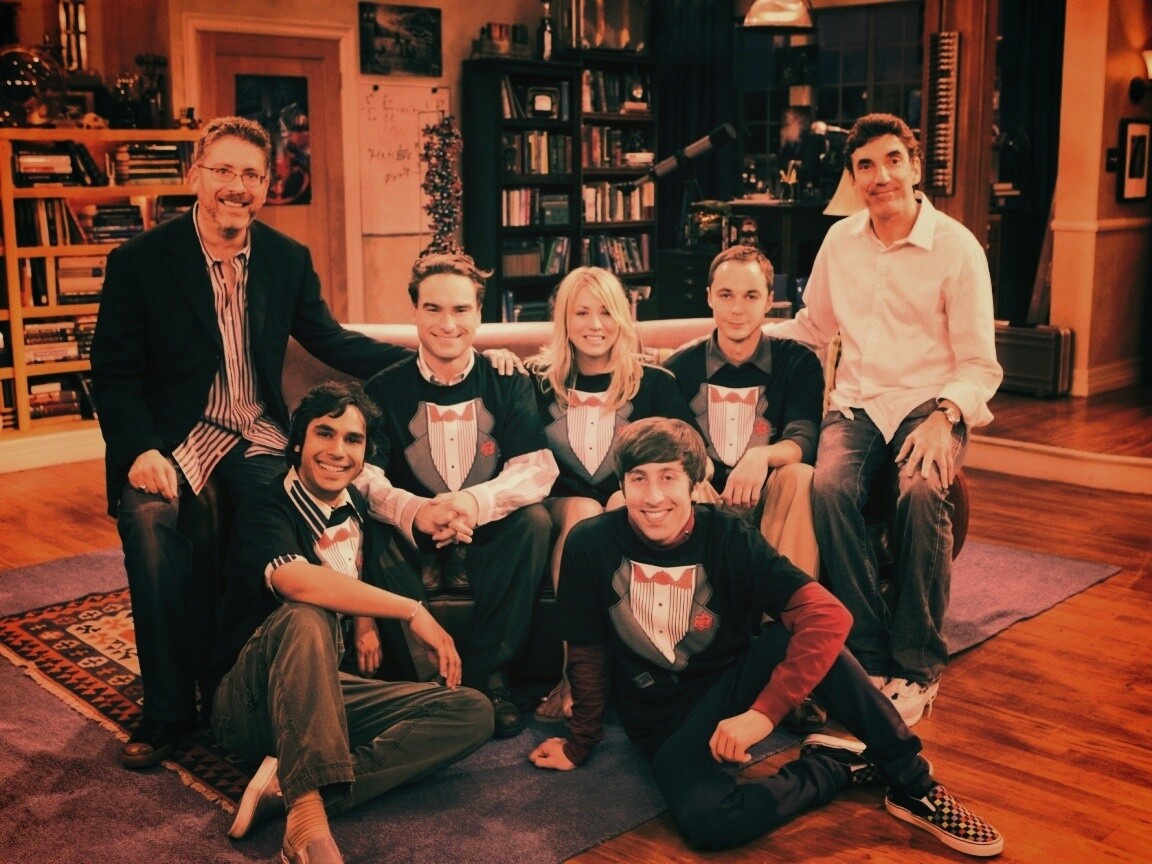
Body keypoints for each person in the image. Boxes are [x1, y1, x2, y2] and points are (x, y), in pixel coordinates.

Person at [89, 115, 412, 769]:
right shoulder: (140, 262)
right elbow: (114, 374)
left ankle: (255, 685)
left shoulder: (285, 259)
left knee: (291, 521)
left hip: (257, 431)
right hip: (172, 437)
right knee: (149, 526)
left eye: (252, 175)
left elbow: (330, 339)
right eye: (224, 172)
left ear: (267, 186)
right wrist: (140, 450)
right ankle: (168, 712)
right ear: (195, 177)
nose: (237, 187)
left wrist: (423, 364)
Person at [528, 417, 1004, 858]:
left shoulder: (728, 536)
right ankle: (836, 767)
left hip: (732, 683)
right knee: (710, 823)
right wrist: (579, 743)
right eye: (639, 479)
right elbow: (587, 652)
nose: (654, 496)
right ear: (623, 484)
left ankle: (913, 784)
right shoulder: (590, 542)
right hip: (662, 721)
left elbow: (828, 616)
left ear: (694, 483)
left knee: (814, 638)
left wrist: (763, 714)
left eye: (668, 477)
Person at [762, 113, 1003, 725]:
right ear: (854, 178)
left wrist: (946, 417)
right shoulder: (839, 242)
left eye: (893, 160)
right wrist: (738, 337)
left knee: (920, 492)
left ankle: (918, 666)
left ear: (915, 167)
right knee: (828, 487)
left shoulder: (957, 248)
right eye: (865, 166)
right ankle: (867, 653)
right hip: (860, 403)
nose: (881, 176)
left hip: (932, 402)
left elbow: (980, 363)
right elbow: (812, 328)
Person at [207, 381, 493, 864]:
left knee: (471, 711)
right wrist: (412, 610)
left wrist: (363, 622)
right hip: (247, 703)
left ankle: (291, 789)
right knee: (304, 615)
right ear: (298, 442)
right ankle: (308, 823)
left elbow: (349, 568)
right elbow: (299, 581)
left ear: (365, 454)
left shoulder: (357, 504)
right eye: (325, 433)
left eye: (353, 439)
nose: (338, 450)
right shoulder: (264, 507)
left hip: (321, 693)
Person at [359, 252, 559, 738]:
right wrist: (415, 511)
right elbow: (364, 475)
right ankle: (426, 687)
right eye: (433, 308)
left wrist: (472, 504)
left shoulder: (508, 379)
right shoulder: (383, 388)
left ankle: (488, 679)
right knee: (370, 525)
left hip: (486, 530)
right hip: (412, 535)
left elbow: (536, 467)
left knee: (534, 521)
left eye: (461, 309)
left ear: (479, 314)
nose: (447, 324)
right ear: (414, 311)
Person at [525, 266, 699, 722]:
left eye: (605, 312)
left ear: (622, 316)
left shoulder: (654, 382)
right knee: (584, 513)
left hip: (629, 501)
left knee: (625, 505)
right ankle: (575, 675)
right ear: (564, 319)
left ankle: (637, 673)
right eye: (582, 312)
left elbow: (692, 454)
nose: (595, 324)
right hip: (562, 503)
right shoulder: (535, 380)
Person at [665, 244, 824, 579]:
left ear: (769, 301)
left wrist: (760, 456)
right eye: (726, 295)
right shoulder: (678, 368)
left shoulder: (797, 362)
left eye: (751, 296)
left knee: (800, 475)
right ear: (709, 297)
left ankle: (789, 604)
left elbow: (805, 438)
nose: (737, 309)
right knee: (680, 478)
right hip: (703, 499)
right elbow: (670, 445)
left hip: (770, 497)